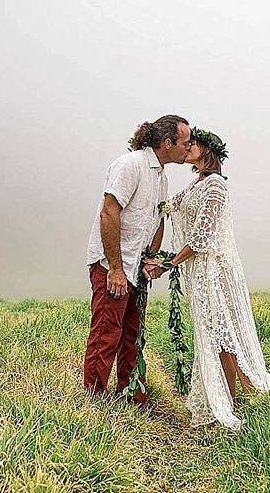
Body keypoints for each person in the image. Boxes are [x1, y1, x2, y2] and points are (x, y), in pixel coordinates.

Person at [148, 127, 270, 429]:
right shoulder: (197, 183)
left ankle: (234, 395)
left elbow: (202, 237)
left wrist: (169, 263)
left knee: (222, 331)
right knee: (215, 331)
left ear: (208, 150)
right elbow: (171, 205)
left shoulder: (215, 185)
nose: (188, 146)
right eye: (187, 142)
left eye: (194, 143)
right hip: (200, 270)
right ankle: (236, 392)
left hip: (215, 269)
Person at [84, 115, 191, 409]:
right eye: (185, 142)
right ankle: (94, 400)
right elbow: (109, 212)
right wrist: (116, 269)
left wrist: (150, 258)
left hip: (136, 269)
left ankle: (132, 397)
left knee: (133, 335)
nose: (189, 147)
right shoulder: (130, 165)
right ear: (167, 143)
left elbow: (157, 222)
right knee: (107, 334)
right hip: (112, 266)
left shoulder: (162, 178)